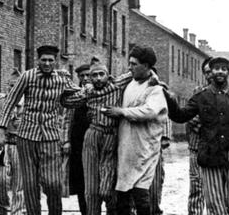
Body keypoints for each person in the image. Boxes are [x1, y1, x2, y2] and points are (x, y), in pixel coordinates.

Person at [164, 57, 229, 215]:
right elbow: (180, 116)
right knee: (215, 207)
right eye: (216, 69)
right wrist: (169, 98)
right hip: (210, 158)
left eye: (224, 69)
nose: (220, 72)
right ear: (211, 72)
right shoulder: (201, 96)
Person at [0, 45, 75, 215]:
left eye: (50, 60)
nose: (47, 63)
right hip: (26, 137)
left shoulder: (62, 79)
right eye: (43, 60)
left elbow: (75, 97)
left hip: (51, 136)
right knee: (30, 184)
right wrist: (2, 130)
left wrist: (96, 90)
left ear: (56, 61)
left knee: (52, 183)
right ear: (38, 60)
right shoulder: (27, 76)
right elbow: (10, 102)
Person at [61, 60, 135, 215]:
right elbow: (67, 102)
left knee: (107, 187)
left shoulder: (116, 85)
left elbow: (136, 70)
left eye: (102, 74)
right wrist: (64, 82)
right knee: (90, 187)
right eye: (94, 75)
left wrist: (157, 81)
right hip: (92, 136)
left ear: (108, 75)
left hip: (113, 137)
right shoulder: (87, 92)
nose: (98, 78)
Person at [101, 45, 168, 215]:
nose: (129, 67)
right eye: (129, 63)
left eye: (134, 64)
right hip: (126, 145)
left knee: (141, 191)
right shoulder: (130, 84)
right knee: (123, 190)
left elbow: (149, 111)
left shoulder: (156, 89)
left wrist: (122, 112)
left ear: (146, 66)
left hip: (145, 147)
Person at [0, 69, 25, 215]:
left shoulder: (29, 103)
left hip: (21, 146)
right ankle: (3, 205)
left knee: (20, 183)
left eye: (17, 85)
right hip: (3, 147)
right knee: (1, 181)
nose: (13, 88)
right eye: (10, 85)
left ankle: (19, 211)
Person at [65, 61, 93, 215]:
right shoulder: (75, 94)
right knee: (81, 181)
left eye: (88, 75)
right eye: (82, 76)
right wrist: (66, 140)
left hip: (97, 140)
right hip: (77, 142)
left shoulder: (100, 92)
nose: (86, 78)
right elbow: (67, 118)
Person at [185, 64, 212, 215]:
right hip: (197, 146)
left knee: (217, 189)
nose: (210, 75)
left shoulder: (228, 94)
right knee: (196, 186)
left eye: (212, 71)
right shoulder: (197, 93)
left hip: (219, 149)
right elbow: (190, 117)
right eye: (206, 72)